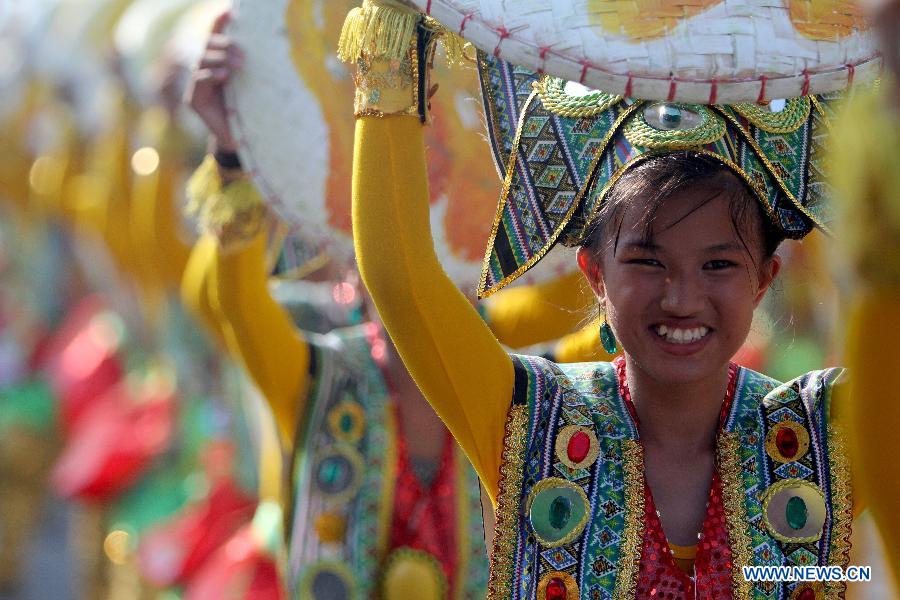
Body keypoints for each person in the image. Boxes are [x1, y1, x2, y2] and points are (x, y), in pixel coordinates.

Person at [342, 2, 863, 598]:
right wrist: (389, 41)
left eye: (718, 264)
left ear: (764, 278)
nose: (683, 298)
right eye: (648, 262)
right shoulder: (527, 420)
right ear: (593, 274)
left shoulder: (828, 437)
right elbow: (401, 277)